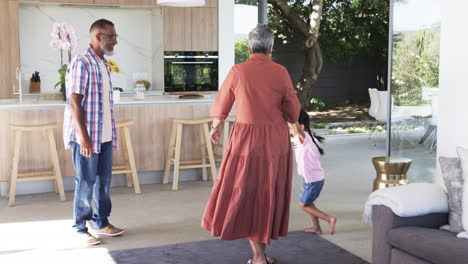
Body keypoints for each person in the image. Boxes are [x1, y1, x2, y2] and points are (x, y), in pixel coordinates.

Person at [201, 24, 301, 264]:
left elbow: (222, 102)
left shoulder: (238, 71)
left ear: (248, 48)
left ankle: (258, 256)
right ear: (270, 48)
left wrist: (216, 126)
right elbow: (292, 107)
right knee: (268, 191)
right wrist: (294, 123)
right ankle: (260, 255)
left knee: (246, 192)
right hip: (275, 140)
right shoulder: (280, 71)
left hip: (245, 140)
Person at [63, 19, 124, 246]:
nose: (115, 41)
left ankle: (101, 222)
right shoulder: (82, 62)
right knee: (85, 182)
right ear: (99, 36)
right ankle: (80, 228)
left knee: (103, 181)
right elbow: (74, 102)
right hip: (87, 137)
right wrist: (84, 137)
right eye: (112, 37)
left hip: (105, 135)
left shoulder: (103, 63)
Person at [289, 110, 337, 235]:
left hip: (313, 180)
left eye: (291, 127)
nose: (290, 130)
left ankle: (329, 219)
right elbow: (289, 143)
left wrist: (290, 111)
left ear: (301, 127)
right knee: (309, 203)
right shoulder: (298, 139)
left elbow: (296, 127)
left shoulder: (306, 139)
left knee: (303, 205)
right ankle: (317, 228)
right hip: (312, 178)